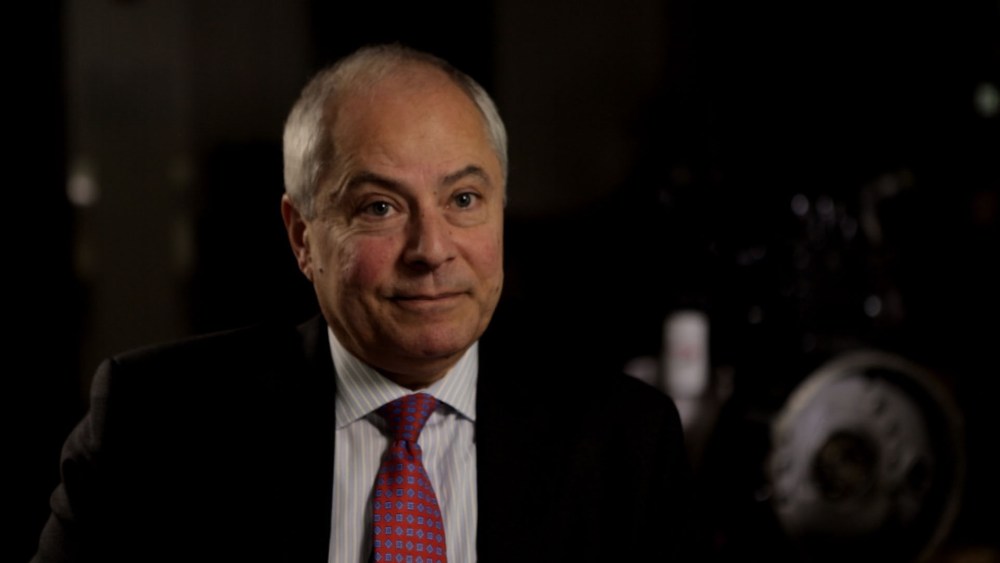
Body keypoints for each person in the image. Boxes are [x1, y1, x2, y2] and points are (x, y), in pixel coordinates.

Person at [32, 43, 702, 563]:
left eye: (464, 199)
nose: (431, 249)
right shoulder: (153, 424)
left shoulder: (625, 440)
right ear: (303, 237)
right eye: (380, 207)